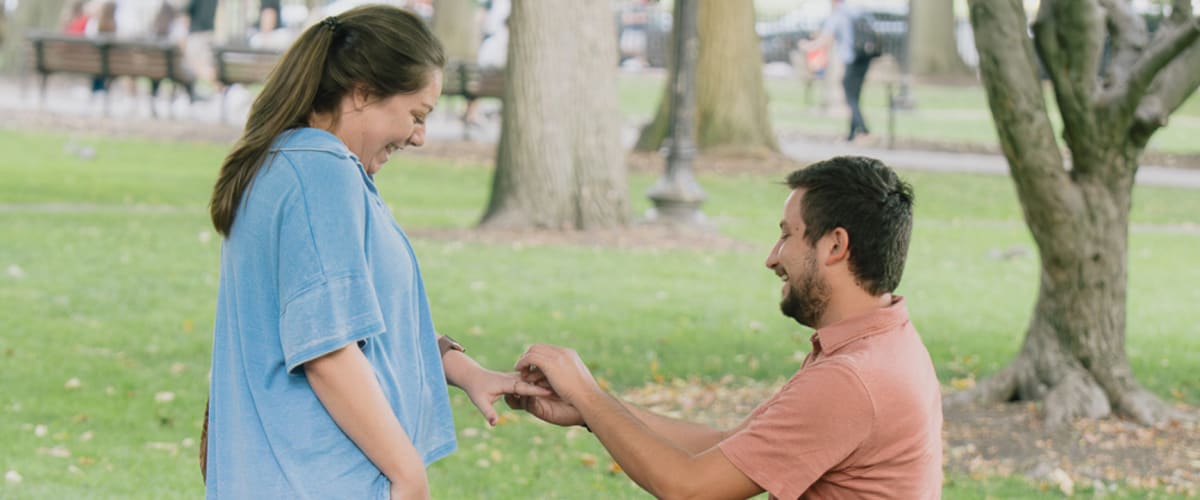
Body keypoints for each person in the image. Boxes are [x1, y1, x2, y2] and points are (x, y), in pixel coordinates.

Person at [203, 6, 549, 499]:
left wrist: (464, 370)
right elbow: (327, 349)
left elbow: (352, 319)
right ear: (363, 91)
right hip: (318, 479)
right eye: (417, 115)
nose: (419, 136)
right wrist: (408, 474)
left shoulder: (292, 164)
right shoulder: (321, 174)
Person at [509, 156, 943, 499]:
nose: (772, 257)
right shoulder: (884, 343)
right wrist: (593, 409)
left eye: (788, 235)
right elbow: (725, 445)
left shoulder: (852, 380)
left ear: (835, 245)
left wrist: (585, 392)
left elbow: (690, 488)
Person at [801, 0, 874, 142]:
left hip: (851, 59)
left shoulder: (838, 15)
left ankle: (864, 130)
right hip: (864, 58)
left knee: (850, 97)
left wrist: (808, 46)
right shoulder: (856, 11)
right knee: (855, 96)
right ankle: (852, 134)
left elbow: (826, 39)